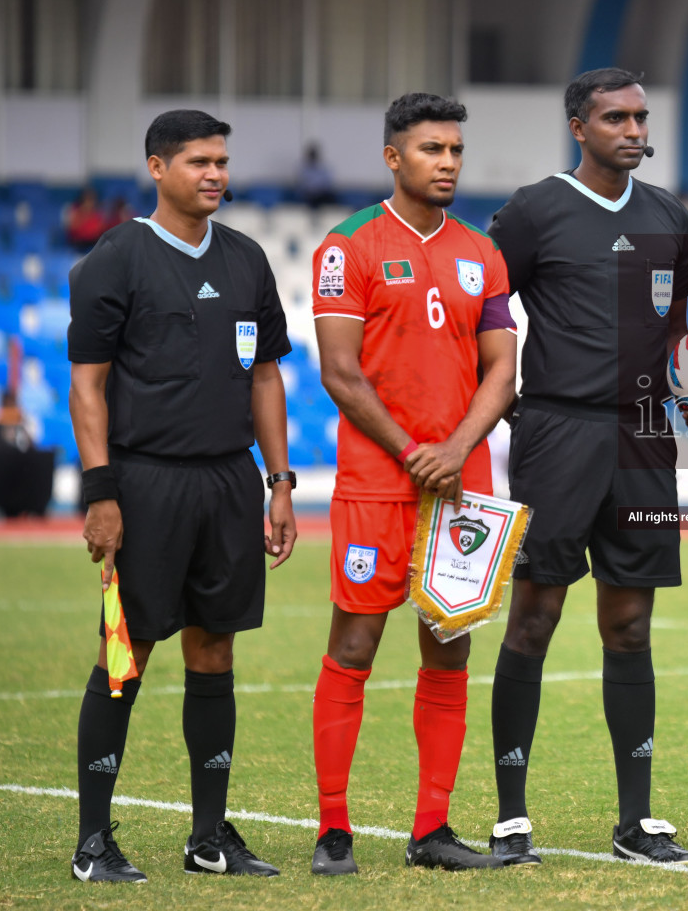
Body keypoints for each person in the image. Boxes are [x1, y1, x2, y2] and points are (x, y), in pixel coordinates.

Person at [66, 109, 297, 882]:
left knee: (216, 647)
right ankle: (93, 841)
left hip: (229, 480)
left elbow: (266, 376)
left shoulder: (247, 259)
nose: (215, 174)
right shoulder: (116, 257)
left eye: (222, 161)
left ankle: (208, 839)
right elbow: (87, 387)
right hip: (144, 480)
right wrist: (101, 492)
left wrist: (280, 483)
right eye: (198, 161)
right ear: (158, 168)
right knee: (125, 654)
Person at [486, 67, 688, 865]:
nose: (634, 130)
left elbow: (677, 320)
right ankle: (512, 818)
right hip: (559, 435)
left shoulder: (668, 216)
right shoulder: (534, 209)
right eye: (616, 118)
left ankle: (636, 823)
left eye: (641, 117)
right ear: (580, 127)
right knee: (534, 617)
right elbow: (485, 303)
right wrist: (500, 395)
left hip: (645, 439)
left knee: (630, 626)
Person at [308, 93, 517, 874]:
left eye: (456, 150)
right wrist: (411, 450)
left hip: (462, 489)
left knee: (449, 650)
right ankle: (335, 831)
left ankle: (432, 831)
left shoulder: (481, 252)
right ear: (394, 157)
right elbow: (340, 372)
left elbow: (503, 371)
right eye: (432, 149)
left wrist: (456, 449)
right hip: (375, 482)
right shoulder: (348, 245)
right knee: (354, 644)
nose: (449, 163)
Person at [298, 143, 337, 208]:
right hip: (309, 196)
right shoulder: (304, 170)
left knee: (332, 198)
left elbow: (328, 184)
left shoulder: (323, 169)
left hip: (322, 194)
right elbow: (301, 185)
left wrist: (320, 190)